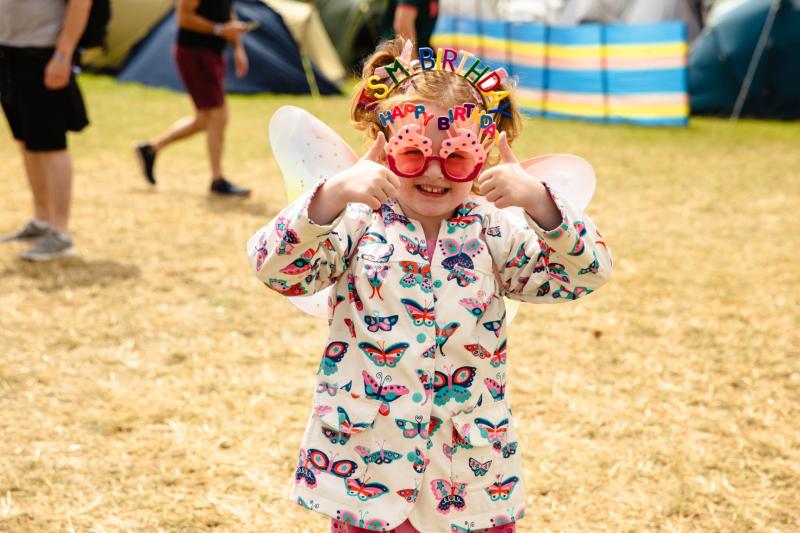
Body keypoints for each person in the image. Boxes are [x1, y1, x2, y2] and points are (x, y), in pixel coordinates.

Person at [247, 38, 612, 532]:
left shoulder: (496, 229)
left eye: (458, 157)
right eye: (413, 152)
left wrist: (540, 203)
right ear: (382, 143)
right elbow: (275, 267)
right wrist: (330, 195)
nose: (435, 171)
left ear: (484, 153)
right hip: (367, 469)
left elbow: (586, 273)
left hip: (468, 476)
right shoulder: (356, 221)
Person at [0, 0, 92, 260]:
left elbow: (81, 4)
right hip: (9, 51)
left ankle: (60, 232)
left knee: (51, 144)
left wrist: (63, 55)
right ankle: (42, 220)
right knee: (26, 141)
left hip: (43, 53)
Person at [135, 0, 251, 197]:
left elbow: (226, 11)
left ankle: (150, 148)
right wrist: (219, 29)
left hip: (213, 52)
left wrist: (238, 47)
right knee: (218, 115)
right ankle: (217, 179)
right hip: (195, 53)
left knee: (204, 119)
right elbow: (183, 18)